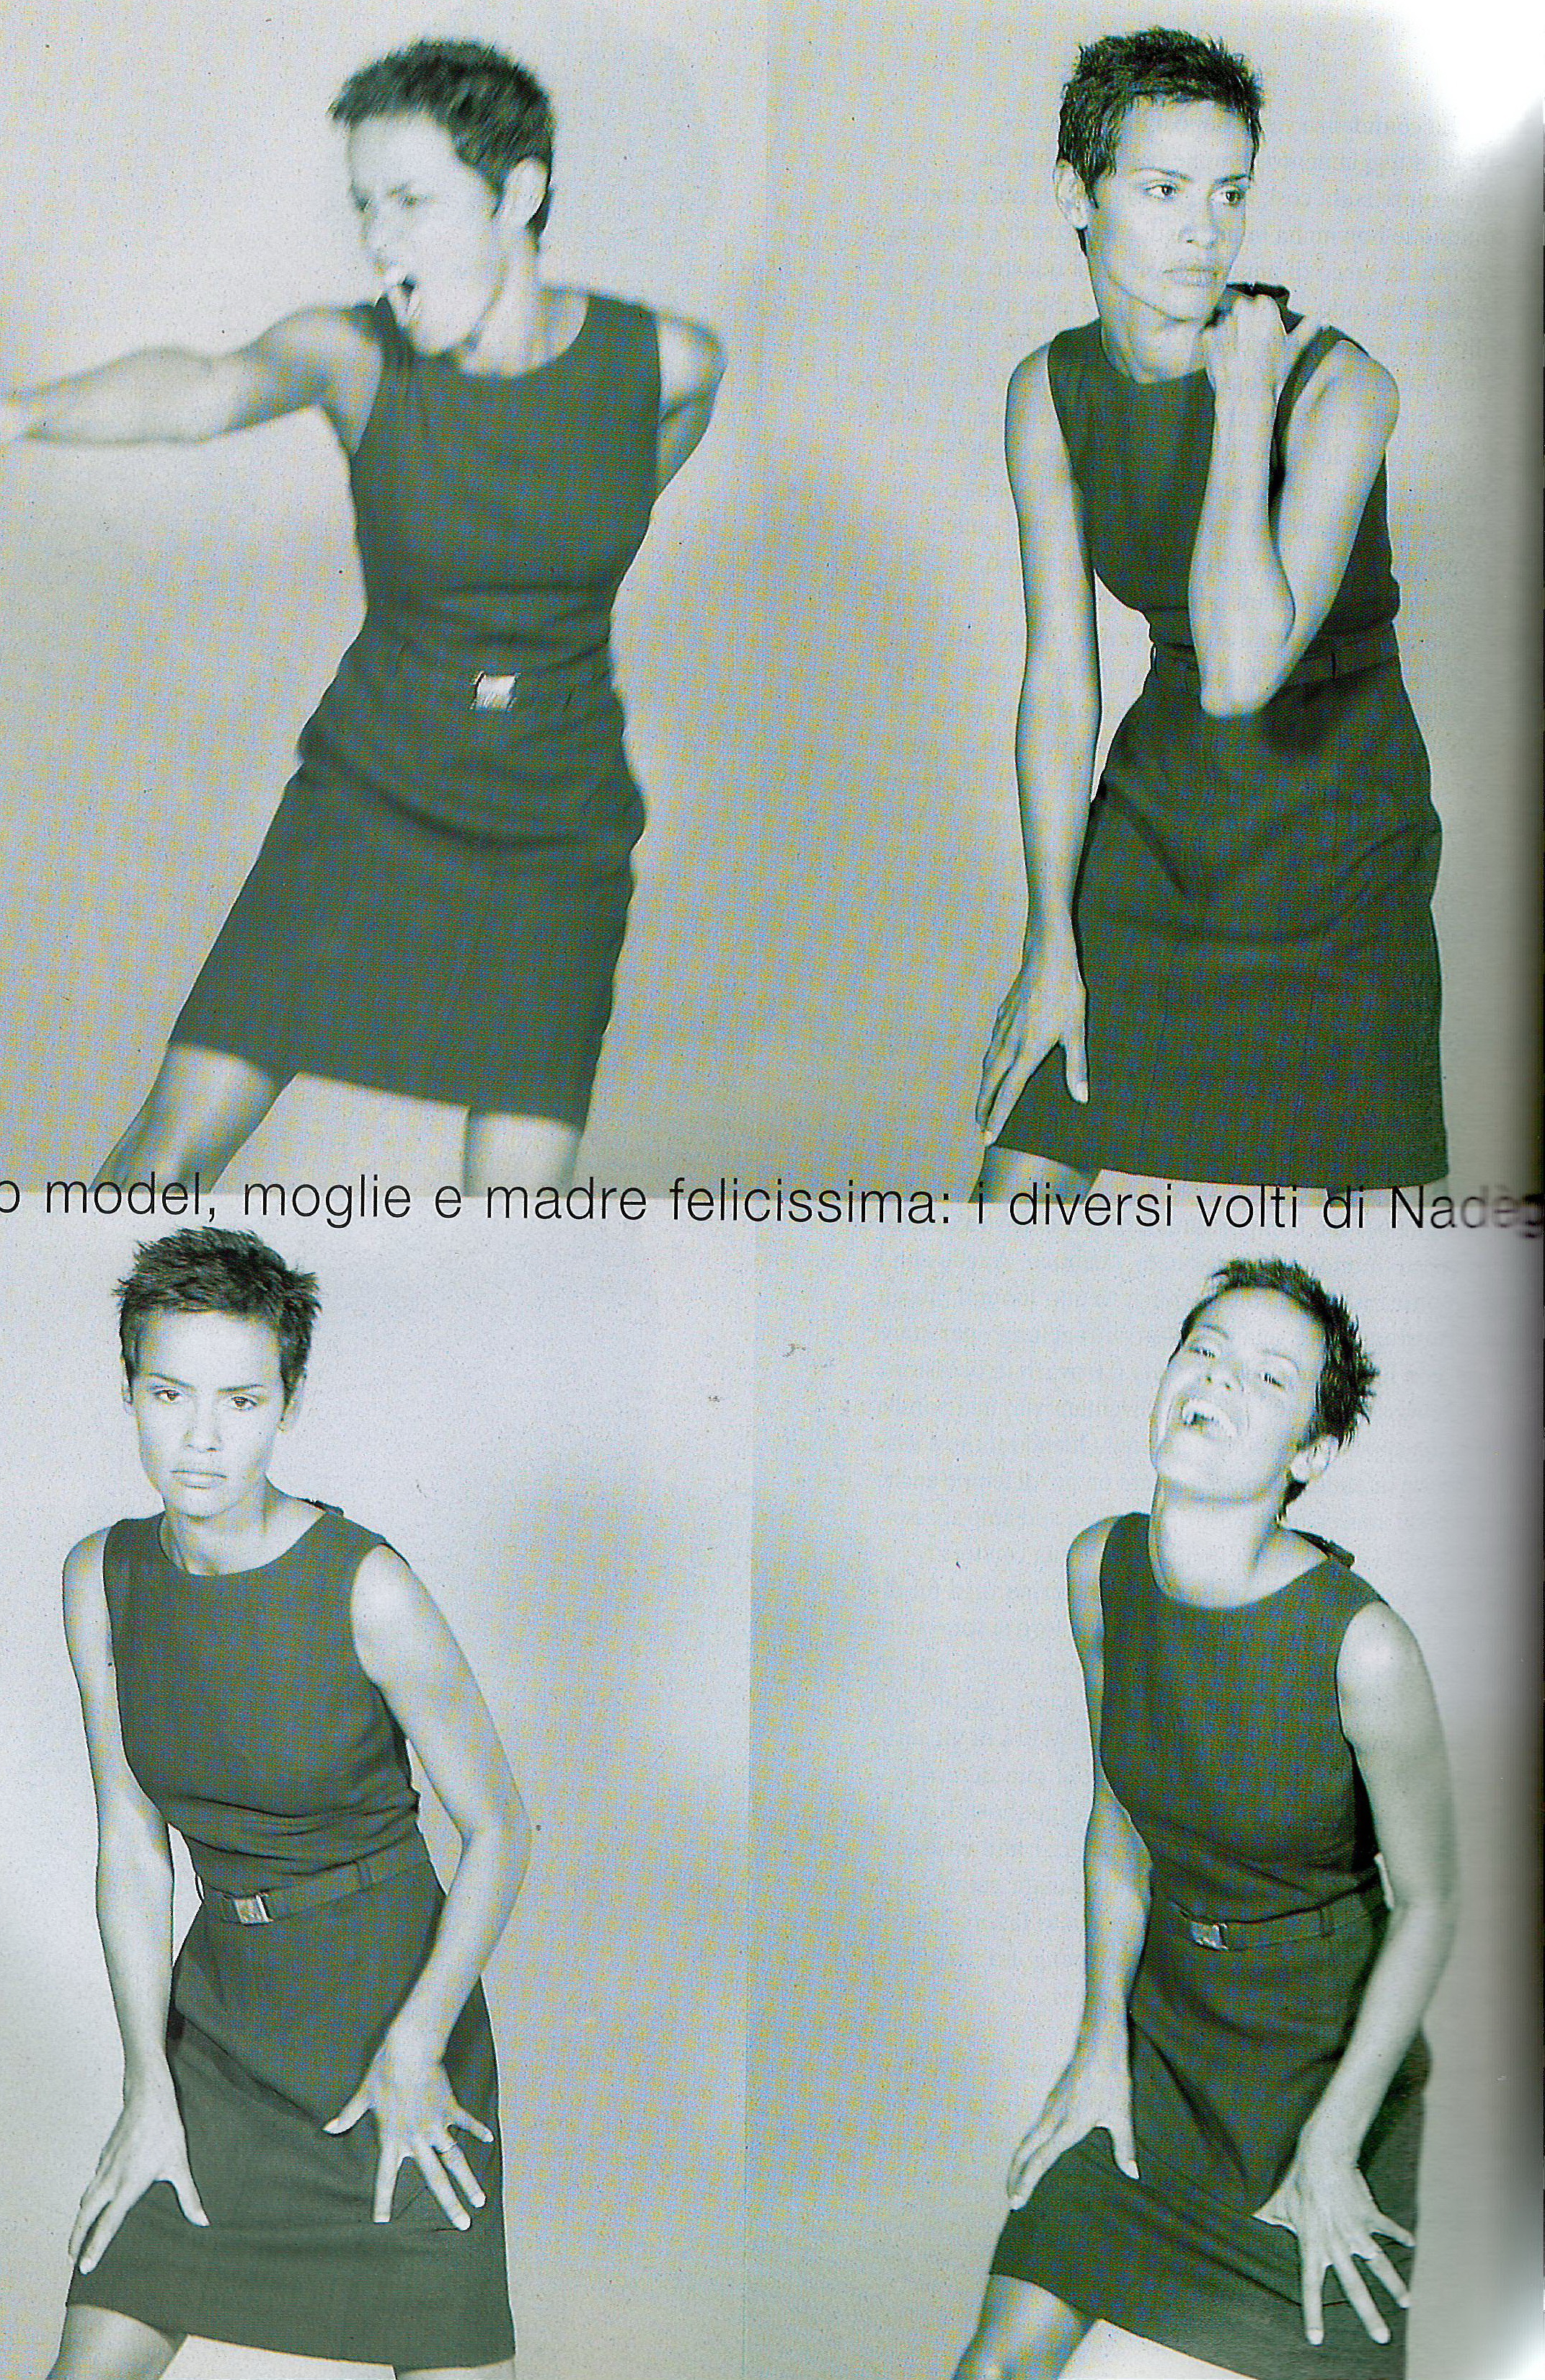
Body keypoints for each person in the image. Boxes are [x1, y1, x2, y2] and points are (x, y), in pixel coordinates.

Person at [0, 38, 724, 1195]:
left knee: (515, 1228)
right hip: (372, 794)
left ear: (518, 194)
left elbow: (610, 502)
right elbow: (202, 388)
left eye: (411, 201)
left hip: (556, 829)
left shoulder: (668, 363)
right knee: (162, 1161)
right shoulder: (351, 354)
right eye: (366, 205)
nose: (380, 240)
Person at [952, 1258, 1456, 2380]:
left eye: (1268, 1376)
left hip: (1320, 2070)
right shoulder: (1100, 1566)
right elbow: (1118, 1823)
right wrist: (1098, 2050)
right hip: (1164, 2044)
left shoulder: (1362, 1644)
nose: (1218, 1380)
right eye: (1204, 1349)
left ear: (1309, 1453)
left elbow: (1428, 1902)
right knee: (993, 2366)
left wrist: (1332, 2140)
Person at [973, 30, 1446, 1199]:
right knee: (1011, 1195)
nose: (1205, 231)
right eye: (1163, 190)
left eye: (1228, 192)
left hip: (1338, 816)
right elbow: (1060, 683)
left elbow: (1241, 671)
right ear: (1075, 196)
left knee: (1372, 1235)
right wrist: (1050, 939)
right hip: (1163, 812)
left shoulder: (1340, 386)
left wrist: (1241, 399)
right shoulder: (1048, 390)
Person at [53, 1226, 532, 2379]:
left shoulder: (367, 1585)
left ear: (289, 1402)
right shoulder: (100, 1575)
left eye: (243, 1400)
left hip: (391, 2031)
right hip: (217, 2037)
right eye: (169, 1392)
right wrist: (146, 2084)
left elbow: (500, 1828)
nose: (202, 1437)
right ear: (129, 1388)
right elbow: (131, 1844)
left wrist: (417, 2042)